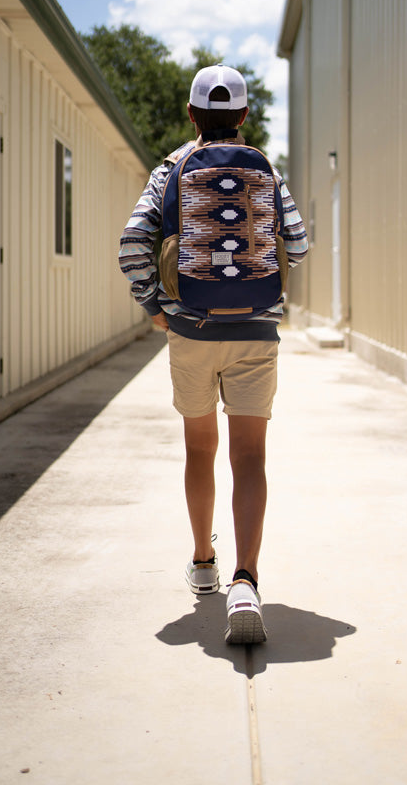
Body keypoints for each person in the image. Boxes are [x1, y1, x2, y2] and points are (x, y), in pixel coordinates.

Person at [119, 63, 308, 644]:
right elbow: (297, 248)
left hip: (191, 330)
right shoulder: (268, 173)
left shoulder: (169, 170)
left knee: (200, 447)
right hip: (255, 332)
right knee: (249, 457)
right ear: (245, 116)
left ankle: (204, 563)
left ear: (191, 113)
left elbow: (132, 246)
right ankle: (246, 582)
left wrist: (156, 307)